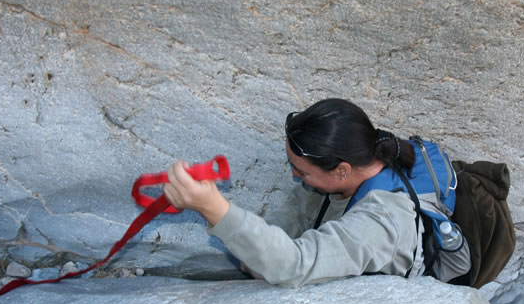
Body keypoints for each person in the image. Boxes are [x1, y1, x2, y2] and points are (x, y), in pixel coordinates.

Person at [162, 98, 470, 287]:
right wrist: (255, 254)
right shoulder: (342, 174)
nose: (294, 176)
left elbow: (294, 266)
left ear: (342, 170)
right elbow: (290, 221)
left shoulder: (381, 223)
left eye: (303, 171)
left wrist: (214, 209)